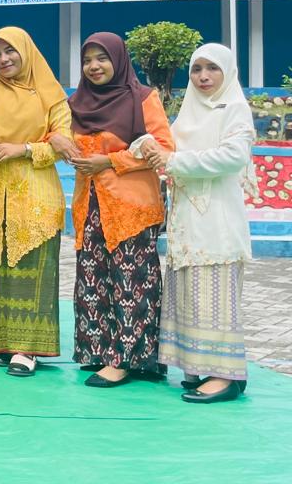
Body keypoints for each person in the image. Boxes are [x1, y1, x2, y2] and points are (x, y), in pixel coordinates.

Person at [145, 44, 254, 403]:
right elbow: (169, 152)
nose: (204, 76)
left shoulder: (234, 108)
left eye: (212, 68)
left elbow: (233, 156)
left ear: (227, 71)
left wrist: (174, 161)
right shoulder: (188, 112)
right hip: (187, 221)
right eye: (196, 69)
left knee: (214, 299)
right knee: (191, 295)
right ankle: (198, 368)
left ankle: (224, 376)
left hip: (217, 222)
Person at [66, 32, 174, 388]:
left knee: (132, 282)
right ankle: (98, 350)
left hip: (131, 205)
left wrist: (110, 160)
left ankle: (127, 359)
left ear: (119, 59)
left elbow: (163, 147)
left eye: (102, 58)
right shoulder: (78, 103)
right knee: (93, 278)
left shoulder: (142, 99)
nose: (94, 66)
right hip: (90, 204)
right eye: (87, 60)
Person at [0, 28, 71, 377]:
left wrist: (22, 149)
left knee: (33, 269)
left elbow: (64, 143)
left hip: (35, 194)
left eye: (10, 51)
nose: (3, 59)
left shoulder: (50, 95)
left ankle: (27, 348)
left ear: (26, 51)